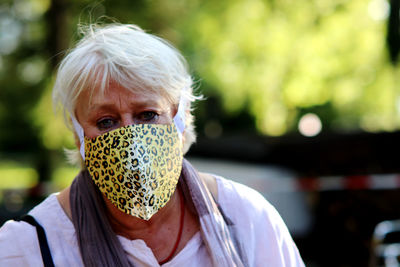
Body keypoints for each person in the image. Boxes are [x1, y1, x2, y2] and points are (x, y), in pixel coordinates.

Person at [0, 23, 305, 266]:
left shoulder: (247, 220)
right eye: (106, 121)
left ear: (180, 118)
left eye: (147, 115)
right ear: (78, 135)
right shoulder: (29, 248)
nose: (131, 139)